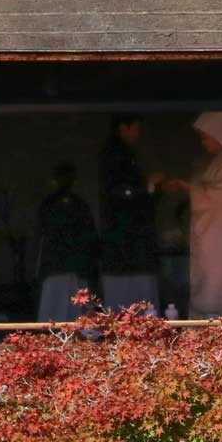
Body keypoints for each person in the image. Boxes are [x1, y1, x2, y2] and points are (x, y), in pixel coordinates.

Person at [182, 111, 222, 319]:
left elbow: (219, 195)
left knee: (221, 282)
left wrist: (188, 188)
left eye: (205, 137)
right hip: (213, 234)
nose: (203, 143)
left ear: (221, 133)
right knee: (210, 280)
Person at [97, 114, 161, 313]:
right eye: (136, 128)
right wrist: (148, 186)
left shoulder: (120, 153)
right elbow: (120, 192)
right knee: (127, 297)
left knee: (126, 298)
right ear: (124, 128)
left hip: (125, 241)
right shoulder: (115, 154)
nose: (138, 133)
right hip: (126, 239)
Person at [34, 162, 97, 322]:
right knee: (57, 304)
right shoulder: (51, 205)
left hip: (71, 265)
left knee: (73, 307)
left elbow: (88, 234)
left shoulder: (77, 204)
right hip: (58, 265)